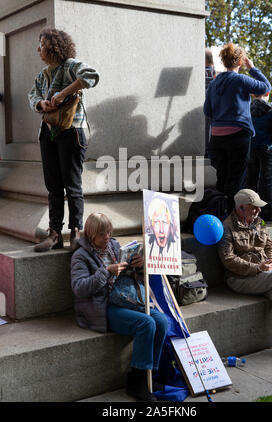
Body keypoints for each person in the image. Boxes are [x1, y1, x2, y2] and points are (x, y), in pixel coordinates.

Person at [70, 213, 169, 402]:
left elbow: (129, 275)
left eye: (108, 231)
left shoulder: (114, 246)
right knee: (146, 324)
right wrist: (105, 271)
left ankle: (148, 374)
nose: (107, 237)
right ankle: (136, 381)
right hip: (101, 306)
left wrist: (138, 266)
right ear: (91, 235)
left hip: (124, 297)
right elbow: (79, 288)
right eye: (101, 234)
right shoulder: (80, 256)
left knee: (161, 321)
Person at [29, 28, 99, 252]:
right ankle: (55, 234)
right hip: (48, 133)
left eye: (41, 44)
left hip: (72, 131)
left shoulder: (70, 65)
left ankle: (76, 232)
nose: (38, 49)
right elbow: (33, 95)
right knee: (53, 186)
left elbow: (92, 76)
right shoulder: (43, 74)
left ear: (52, 45)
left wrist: (63, 93)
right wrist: (42, 104)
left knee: (73, 185)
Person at [218, 188, 272, 358]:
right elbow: (228, 260)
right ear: (240, 208)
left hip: (263, 274)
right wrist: (257, 268)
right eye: (254, 207)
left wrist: (271, 261)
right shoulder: (226, 227)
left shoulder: (259, 222)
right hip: (240, 278)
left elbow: (269, 244)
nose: (259, 210)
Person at [204, 43, 271, 211]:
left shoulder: (214, 83)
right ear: (240, 62)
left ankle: (219, 213)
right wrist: (253, 69)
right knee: (236, 179)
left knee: (222, 178)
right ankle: (231, 218)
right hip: (238, 135)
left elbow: (207, 110)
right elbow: (266, 87)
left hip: (217, 137)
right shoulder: (240, 79)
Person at [247, 91, 272, 223]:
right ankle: (268, 212)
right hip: (268, 149)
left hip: (251, 148)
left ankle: (250, 211)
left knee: (251, 181)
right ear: (267, 93)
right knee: (266, 182)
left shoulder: (247, 109)